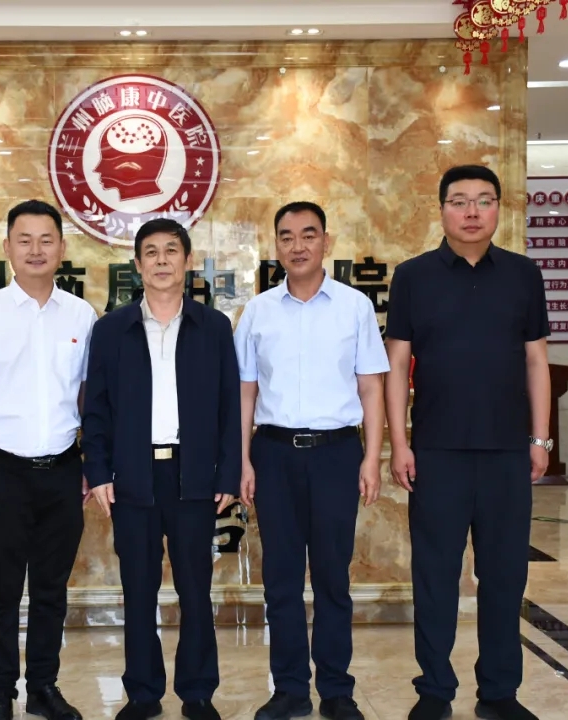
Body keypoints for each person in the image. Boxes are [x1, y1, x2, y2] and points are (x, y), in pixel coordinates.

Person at [384, 165, 551, 720]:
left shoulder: (523, 274)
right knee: (435, 578)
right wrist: (400, 443)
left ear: (499, 207)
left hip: (507, 452)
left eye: (484, 200)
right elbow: (397, 363)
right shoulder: (413, 276)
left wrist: (540, 438)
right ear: (442, 211)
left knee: (505, 577)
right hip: (437, 453)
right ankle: (434, 691)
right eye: (459, 201)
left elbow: (536, 360)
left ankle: (499, 692)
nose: (472, 212)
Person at [82, 218, 241, 720]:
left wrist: (228, 475)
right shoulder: (112, 329)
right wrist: (98, 471)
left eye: (171, 250)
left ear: (188, 261)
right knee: (138, 590)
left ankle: (197, 692)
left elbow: (229, 407)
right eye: (150, 252)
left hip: (193, 478)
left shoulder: (213, 327)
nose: (161, 260)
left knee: (196, 589)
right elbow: (96, 409)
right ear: (137, 265)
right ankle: (143, 693)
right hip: (133, 478)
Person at [234, 202, 389, 720]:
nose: (297, 246)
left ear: (326, 241)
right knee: (280, 578)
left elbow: (371, 388)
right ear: (275, 246)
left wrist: (372, 459)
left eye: (308, 234)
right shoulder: (258, 311)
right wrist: (243, 461)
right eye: (286, 236)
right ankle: (290, 690)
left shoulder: (354, 307)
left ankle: (337, 690)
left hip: (336, 455)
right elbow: (245, 393)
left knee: (331, 579)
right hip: (274, 454)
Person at [0, 200, 97, 720]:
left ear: (62, 247)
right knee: (3, 589)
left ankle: (43, 688)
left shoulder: (81, 315)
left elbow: (88, 398)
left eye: (46, 240)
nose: (36, 250)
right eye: (25, 240)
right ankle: (0, 692)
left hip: (63, 469)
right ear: (8, 247)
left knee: (52, 589)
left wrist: (90, 463)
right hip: (3, 469)